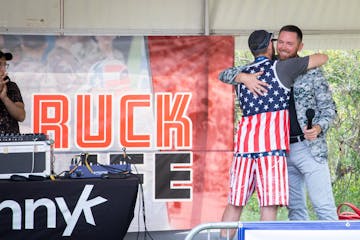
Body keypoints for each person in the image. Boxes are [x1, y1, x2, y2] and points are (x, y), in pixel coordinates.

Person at [217, 29, 328, 240]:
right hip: (271, 149)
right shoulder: (283, 67)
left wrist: (242, 77)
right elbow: (321, 58)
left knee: (234, 202)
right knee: (268, 205)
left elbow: (222, 74)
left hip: (244, 147)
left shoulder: (241, 74)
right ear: (270, 46)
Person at [0, 50, 26, 134]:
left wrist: (4, 98)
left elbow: (21, 116)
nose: (3, 69)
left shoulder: (11, 86)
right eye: (0, 65)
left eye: (5, 65)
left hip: (10, 143)